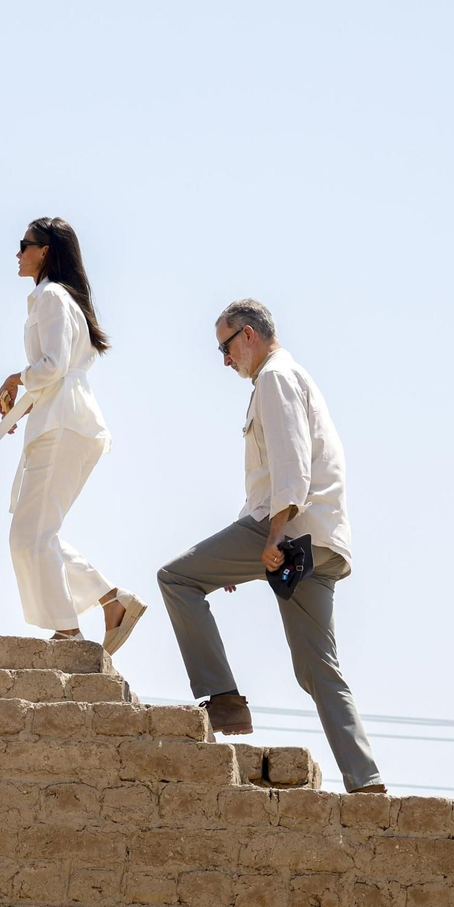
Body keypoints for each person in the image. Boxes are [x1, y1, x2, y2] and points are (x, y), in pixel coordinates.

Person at [157, 299, 386, 794]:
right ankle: (367, 781)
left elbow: (291, 466)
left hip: (292, 530)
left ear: (248, 336)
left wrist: (273, 537)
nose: (224, 361)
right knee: (319, 671)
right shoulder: (292, 376)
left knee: (176, 579)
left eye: (224, 347)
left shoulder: (275, 378)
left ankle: (222, 698)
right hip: (321, 541)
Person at [0, 218, 145, 652]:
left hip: (64, 424)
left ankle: (71, 633)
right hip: (63, 419)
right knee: (33, 535)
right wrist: (20, 404)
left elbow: (53, 366)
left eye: (24, 245)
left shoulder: (52, 296)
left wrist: (15, 379)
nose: (17, 253)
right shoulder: (57, 299)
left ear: (45, 251)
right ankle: (112, 603)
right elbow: (59, 371)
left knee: (31, 536)